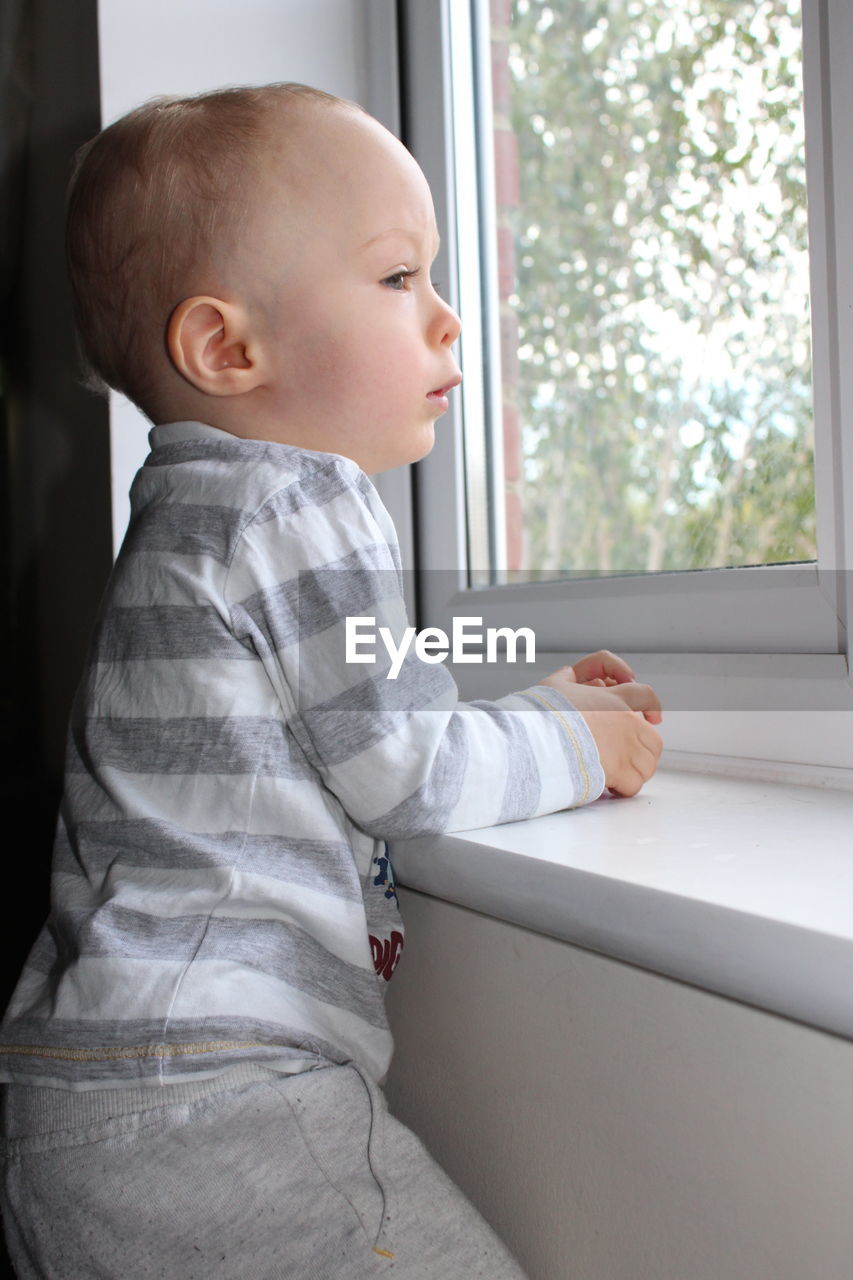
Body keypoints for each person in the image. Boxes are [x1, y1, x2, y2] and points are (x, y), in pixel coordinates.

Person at [0, 84, 662, 1278]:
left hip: (77, 1104)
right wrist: (575, 736)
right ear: (225, 346)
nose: (446, 319)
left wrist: (523, 677)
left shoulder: (188, 509)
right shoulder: (299, 493)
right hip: (216, 1095)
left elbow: (356, 689)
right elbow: (402, 761)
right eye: (399, 277)